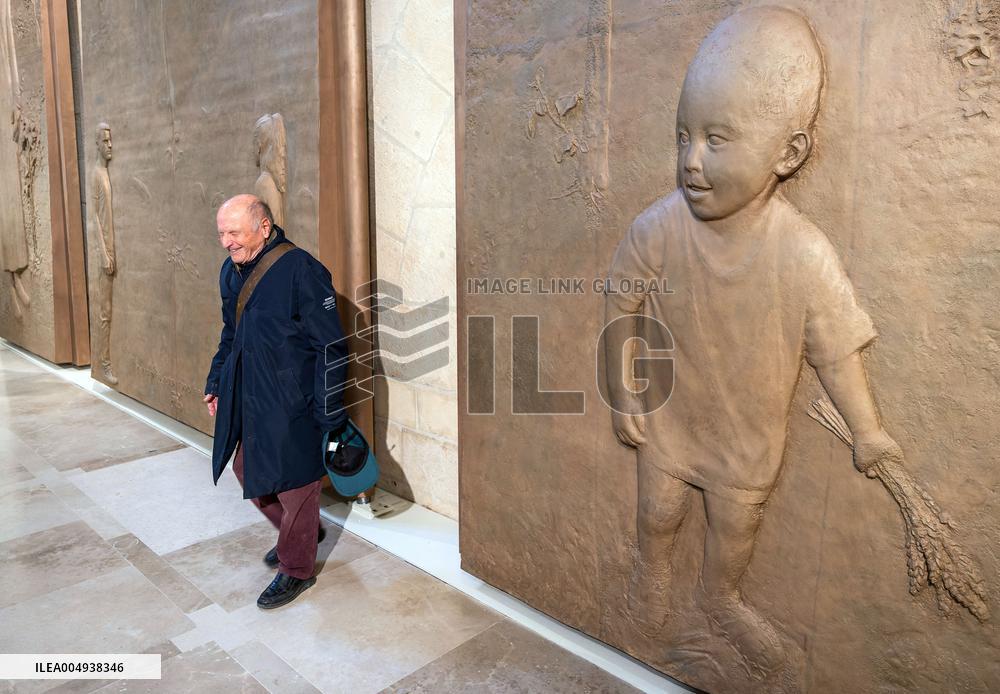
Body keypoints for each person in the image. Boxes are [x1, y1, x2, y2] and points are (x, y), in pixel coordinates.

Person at [604, 6, 904, 676]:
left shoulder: (803, 253)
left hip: (747, 438)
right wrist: (622, 390)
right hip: (672, 418)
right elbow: (620, 302)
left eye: (717, 139)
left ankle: (721, 598)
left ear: (789, 153)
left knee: (734, 531)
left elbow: (835, 349)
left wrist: (867, 429)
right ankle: (650, 586)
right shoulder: (658, 228)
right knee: (658, 514)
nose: (691, 161)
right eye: (683, 136)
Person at [204, 194, 348, 609]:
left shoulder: (303, 270)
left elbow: (331, 346)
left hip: (293, 398)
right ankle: (301, 531)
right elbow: (229, 334)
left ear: (263, 227)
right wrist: (216, 380)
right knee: (247, 467)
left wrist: (329, 408)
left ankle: (297, 568)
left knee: (296, 482)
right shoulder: (230, 273)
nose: (226, 242)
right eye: (222, 233)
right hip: (249, 393)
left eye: (234, 232)